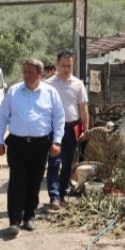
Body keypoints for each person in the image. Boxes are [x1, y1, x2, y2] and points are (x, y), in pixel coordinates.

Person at [0, 59, 64, 238]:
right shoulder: (14, 91)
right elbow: (2, 116)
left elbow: (58, 118)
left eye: (30, 73)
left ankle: (29, 216)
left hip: (40, 145)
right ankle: (14, 220)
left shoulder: (50, 92)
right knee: (17, 181)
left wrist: (57, 142)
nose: (26, 76)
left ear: (40, 74)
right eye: (24, 72)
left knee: (34, 182)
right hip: (17, 144)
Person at [45, 49, 89, 210]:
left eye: (69, 66)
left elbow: (83, 109)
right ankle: (54, 197)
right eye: (63, 65)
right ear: (57, 65)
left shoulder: (78, 84)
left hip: (71, 129)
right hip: (54, 130)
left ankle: (63, 193)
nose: (66, 69)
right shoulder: (48, 85)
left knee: (68, 163)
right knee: (54, 163)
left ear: (73, 65)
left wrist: (86, 129)